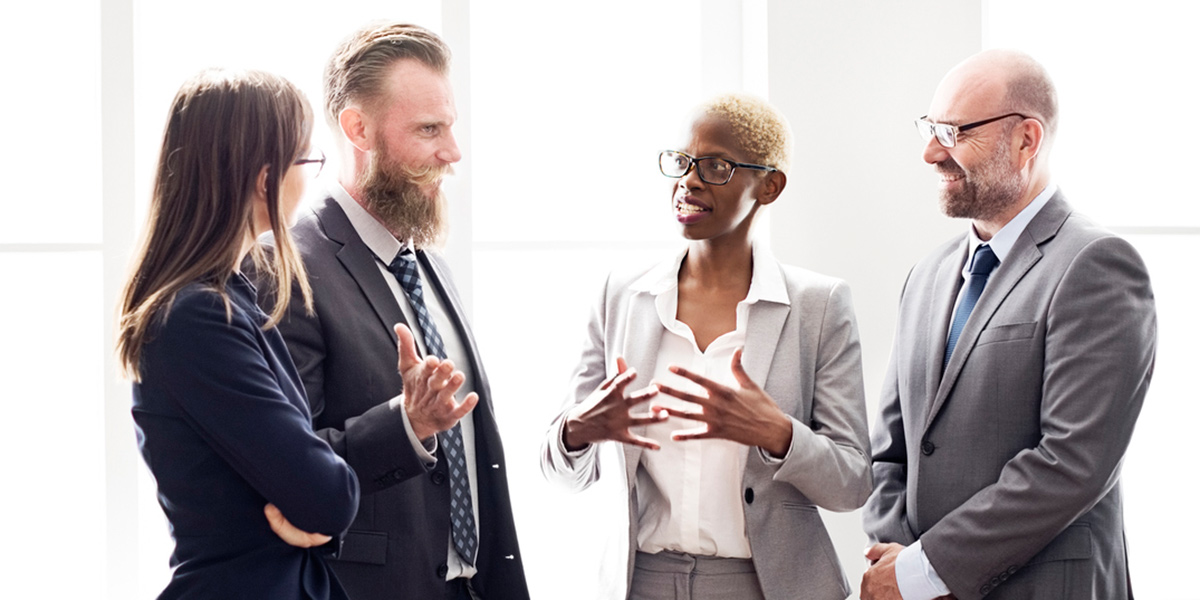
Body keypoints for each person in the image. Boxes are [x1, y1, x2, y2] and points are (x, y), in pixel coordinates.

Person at [541, 93, 873, 600]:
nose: (689, 180)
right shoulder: (621, 295)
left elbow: (852, 482)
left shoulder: (818, 305)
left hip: (767, 586)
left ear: (769, 186)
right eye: (681, 162)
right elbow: (558, 469)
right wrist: (579, 429)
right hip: (640, 582)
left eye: (715, 165)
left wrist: (779, 434)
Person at [860, 50, 1156, 600]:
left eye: (952, 133)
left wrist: (928, 570)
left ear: (1026, 140)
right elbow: (889, 450)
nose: (930, 153)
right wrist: (900, 563)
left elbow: (1071, 463)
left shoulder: (1097, 265)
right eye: (929, 129)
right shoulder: (926, 275)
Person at [257, 22, 528, 600]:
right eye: (429, 129)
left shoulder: (428, 263)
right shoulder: (285, 267)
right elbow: (281, 467)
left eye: (450, 127)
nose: (452, 153)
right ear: (358, 129)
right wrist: (407, 424)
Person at [116, 68, 360, 599]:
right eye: (307, 161)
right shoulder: (196, 318)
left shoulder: (232, 298)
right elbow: (327, 496)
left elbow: (312, 487)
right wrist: (315, 503)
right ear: (263, 178)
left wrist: (312, 503)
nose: (310, 177)